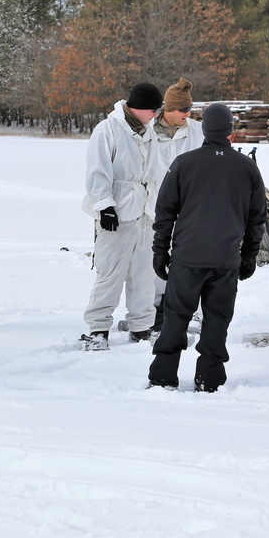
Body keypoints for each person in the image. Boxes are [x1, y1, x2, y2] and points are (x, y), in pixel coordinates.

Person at [147, 103, 267, 391]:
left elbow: (164, 212)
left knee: (175, 317)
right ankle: (209, 378)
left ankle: (163, 376)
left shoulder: (184, 163)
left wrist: (160, 252)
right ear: (230, 130)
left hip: (187, 257)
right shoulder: (247, 167)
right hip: (225, 259)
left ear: (205, 129)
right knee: (217, 319)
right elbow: (257, 218)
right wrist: (248, 256)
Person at [80, 82, 163, 350]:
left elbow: (154, 173)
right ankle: (98, 329)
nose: (156, 115)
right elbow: (97, 170)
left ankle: (142, 327)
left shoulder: (147, 131)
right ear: (139, 108)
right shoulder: (108, 129)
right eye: (153, 109)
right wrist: (104, 205)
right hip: (116, 213)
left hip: (144, 212)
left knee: (143, 273)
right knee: (110, 272)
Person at [149, 77, 205, 332]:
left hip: (190, 209)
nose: (187, 114)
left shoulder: (197, 131)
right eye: (183, 109)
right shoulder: (148, 130)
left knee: (191, 259)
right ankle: (156, 310)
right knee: (156, 258)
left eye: (189, 109)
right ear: (168, 110)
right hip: (154, 206)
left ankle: (193, 311)